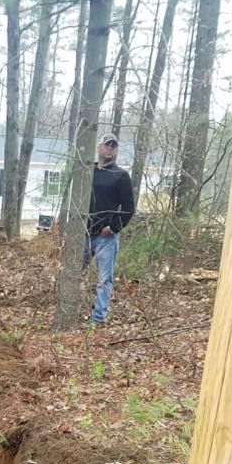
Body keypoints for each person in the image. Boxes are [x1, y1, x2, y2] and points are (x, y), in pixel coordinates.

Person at [83, 133, 135, 326]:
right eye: (107, 145)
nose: (110, 149)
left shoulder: (120, 176)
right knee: (72, 272)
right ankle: (71, 308)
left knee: (104, 279)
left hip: (105, 237)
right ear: (99, 147)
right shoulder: (87, 171)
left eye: (113, 146)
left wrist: (112, 228)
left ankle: (98, 319)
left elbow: (129, 209)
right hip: (83, 233)